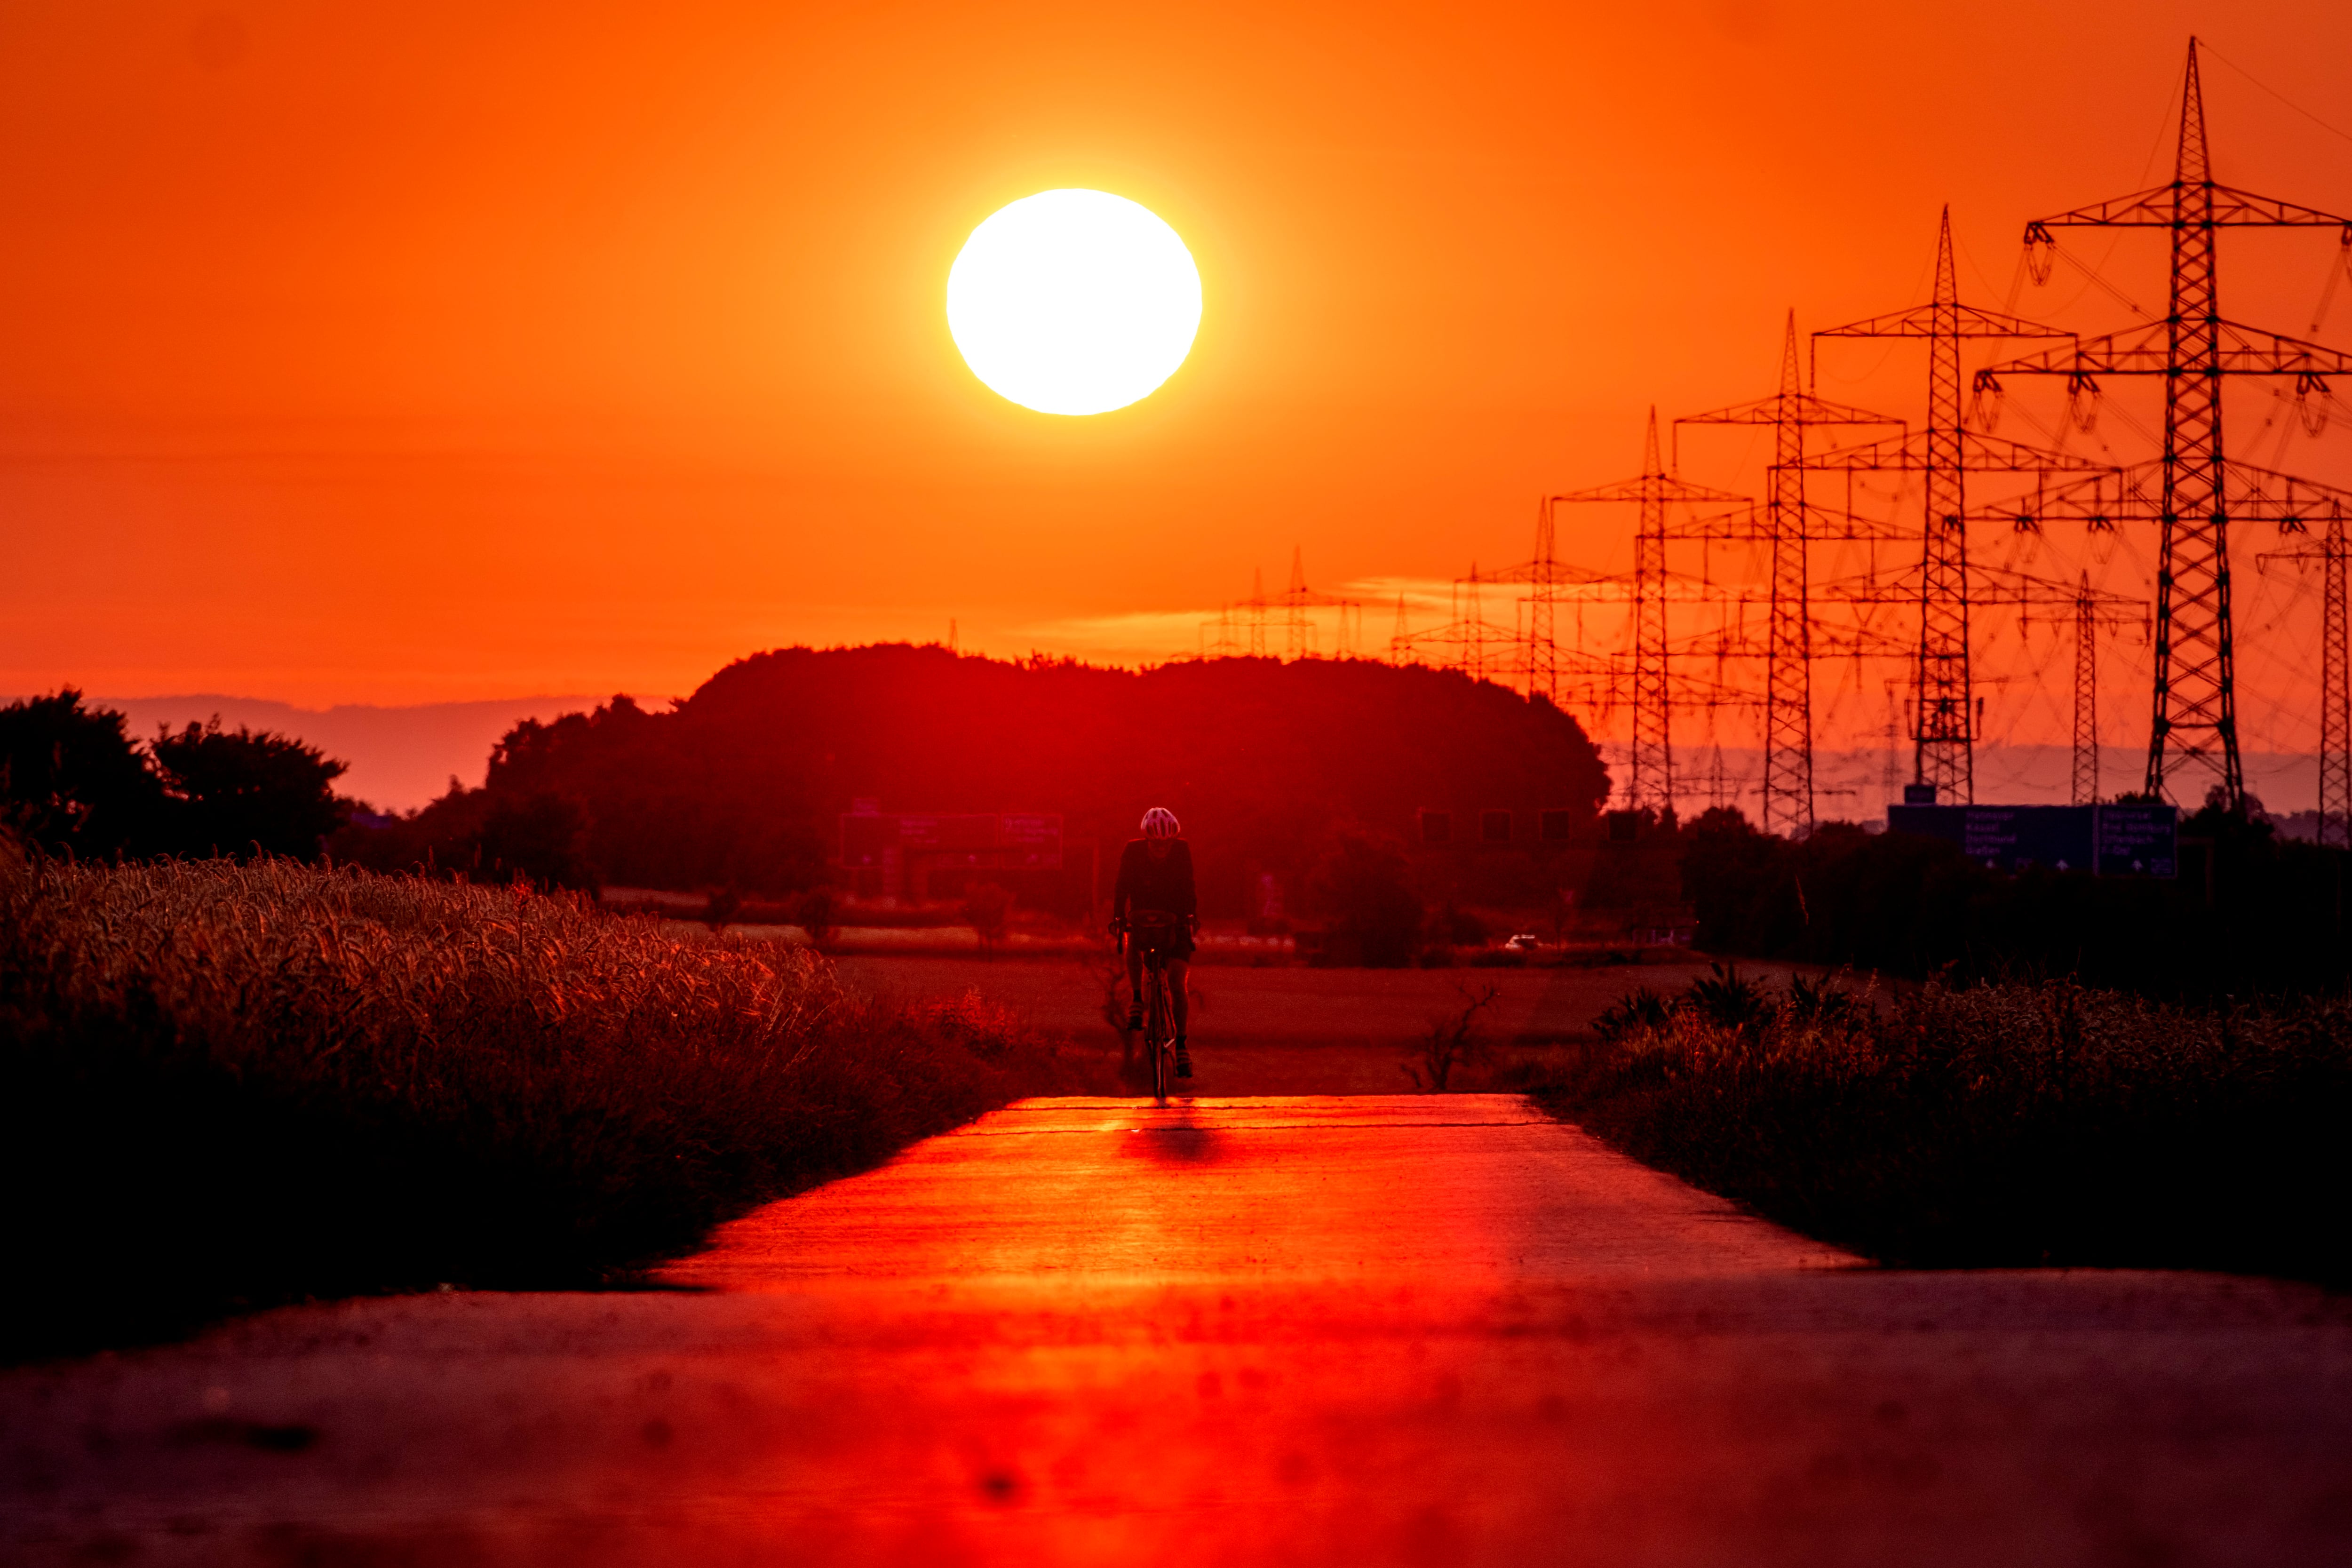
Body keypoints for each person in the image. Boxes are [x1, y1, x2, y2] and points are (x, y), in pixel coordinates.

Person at [1111, 805, 1196, 1079]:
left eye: (1166, 845)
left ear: (1173, 841)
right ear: (1147, 841)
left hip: (1175, 917)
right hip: (1143, 915)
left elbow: (1190, 888)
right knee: (1132, 935)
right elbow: (1121, 886)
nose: (1162, 850)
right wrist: (1117, 917)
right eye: (1156, 845)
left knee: (1176, 982)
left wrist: (1191, 917)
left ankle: (1181, 1044)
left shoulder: (1182, 853)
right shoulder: (1133, 852)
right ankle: (1138, 998)